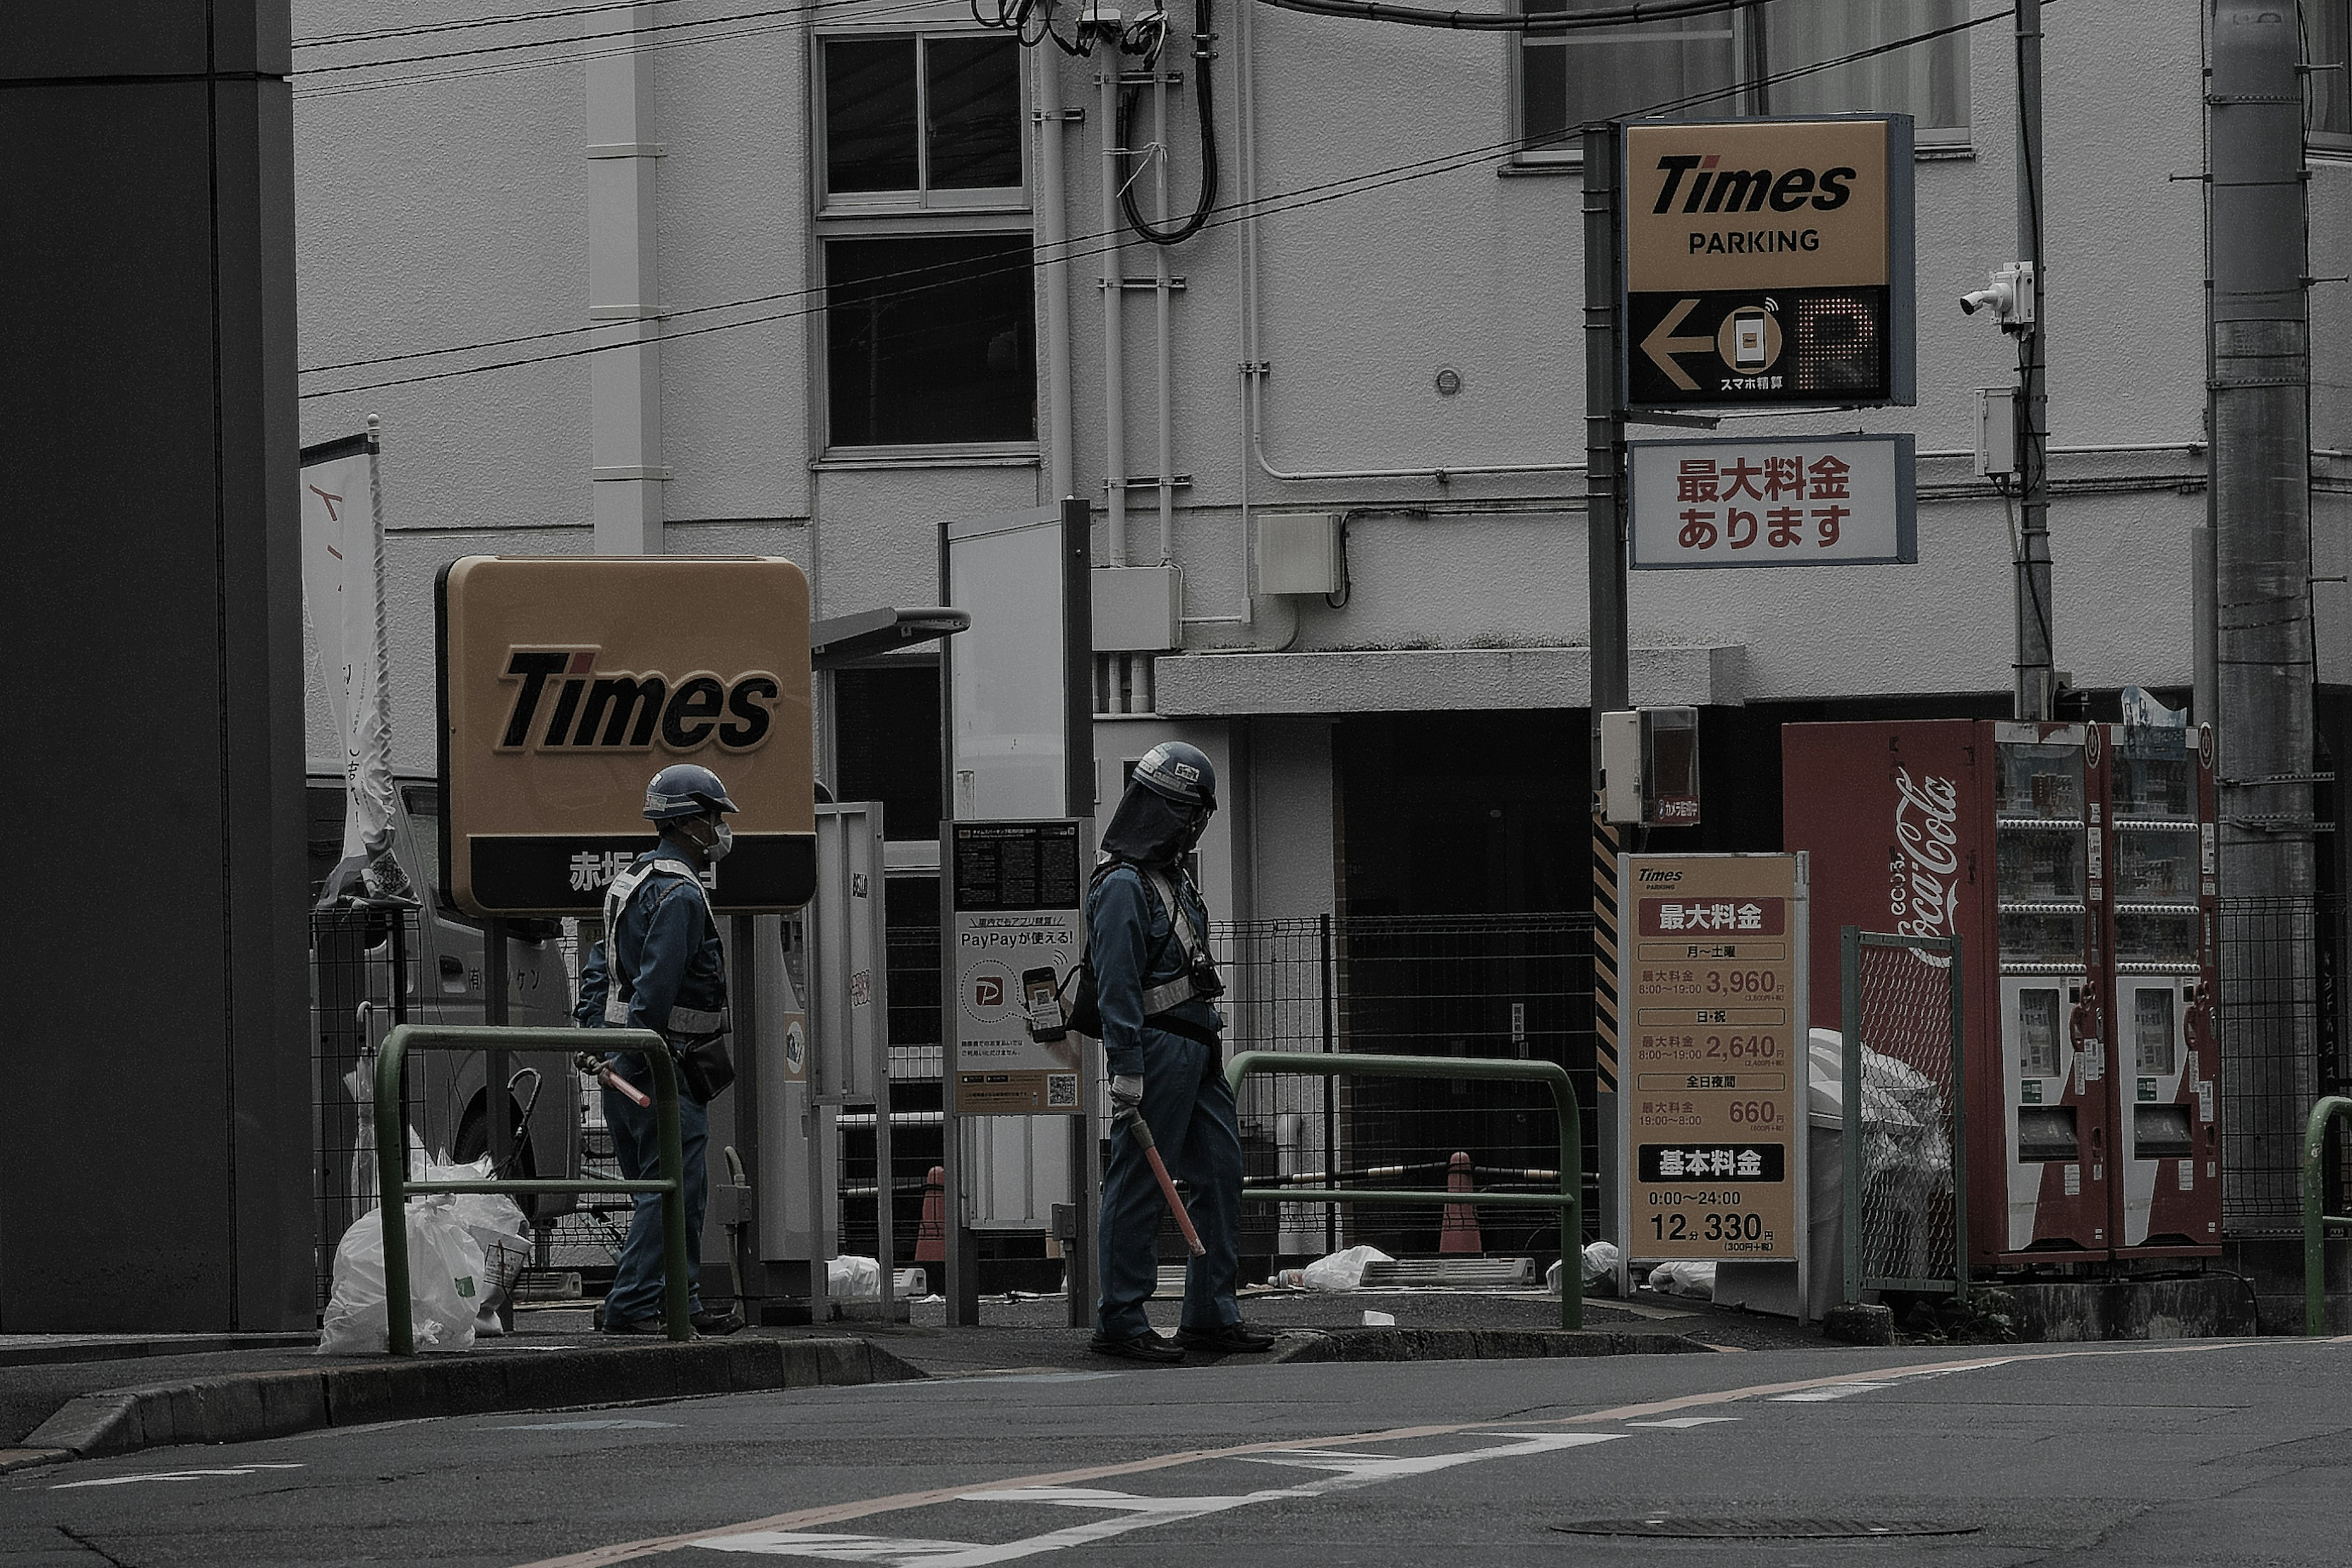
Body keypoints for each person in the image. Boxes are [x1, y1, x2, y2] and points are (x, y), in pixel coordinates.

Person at [1088, 742, 1276, 1363]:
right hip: (1159, 1044)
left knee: (1222, 1174)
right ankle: (1121, 1317)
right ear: (1166, 810)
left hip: (1198, 1046)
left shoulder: (1170, 878)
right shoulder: (1121, 886)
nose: (1195, 828)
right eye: (1190, 814)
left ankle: (1210, 1313)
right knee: (1140, 1183)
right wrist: (1127, 1066)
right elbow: (1116, 983)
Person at [575, 763, 745, 1336]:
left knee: (674, 1188)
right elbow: (653, 990)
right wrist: (646, 1057)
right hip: (661, 1066)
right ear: (692, 823)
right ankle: (635, 1306)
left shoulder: (630, 882)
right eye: (716, 818)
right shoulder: (681, 896)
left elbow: (600, 968)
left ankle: (683, 1302)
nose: (721, 830)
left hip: (626, 1065)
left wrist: (597, 1039)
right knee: (668, 1188)